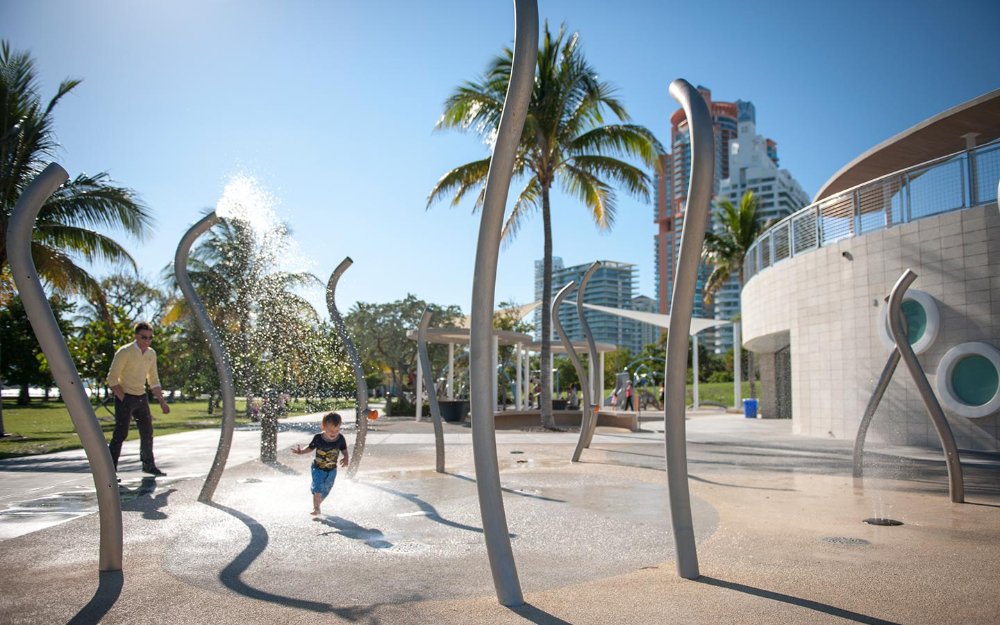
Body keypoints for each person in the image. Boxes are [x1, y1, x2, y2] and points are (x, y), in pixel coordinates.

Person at [106, 321, 171, 476]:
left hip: (141, 397)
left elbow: (153, 379)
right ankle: (109, 471)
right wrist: (123, 398)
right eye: (144, 337)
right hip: (125, 397)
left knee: (147, 432)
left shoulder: (151, 354)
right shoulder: (125, 352)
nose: (147, 341)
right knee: (120, 434)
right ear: (136, 336)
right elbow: (112, 379)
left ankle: (148, 465)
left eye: (150, 338)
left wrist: (162, 402)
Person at [293, 412, 349, 516]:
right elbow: (310, 448)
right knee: (318, 488)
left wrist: (346, 457)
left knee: (326, 490)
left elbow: (344, 449)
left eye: (337, 430)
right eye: (331, 430)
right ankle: (316, 508)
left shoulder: (340, 438)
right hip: (318, 469)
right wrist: (301, 451)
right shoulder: (318, 438)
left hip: (332, 470)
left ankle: (317, 503)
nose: (334, 433)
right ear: (323, 427)